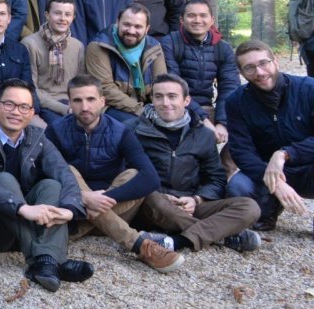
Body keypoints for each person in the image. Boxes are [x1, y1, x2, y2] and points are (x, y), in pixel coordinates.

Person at [0, 79, 93, 293]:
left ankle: (46, 262)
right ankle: (49, 259)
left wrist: (70, 209)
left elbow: (63, 173)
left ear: (31, 113)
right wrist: (23, 208)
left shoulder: (37, 138)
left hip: (26, 229)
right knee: (3, 179)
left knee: (51, 185)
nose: (16, 112)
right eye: (9, 105)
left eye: (24, 107)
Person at [45, 75, 182, 273]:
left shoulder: (121, 131)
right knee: (66, 169)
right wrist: (84, 197)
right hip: (72, 202)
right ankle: (140, 245)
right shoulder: (56, 131)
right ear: (70, 103)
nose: (85, 107)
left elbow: (150, 178)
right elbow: (46, 171)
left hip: (105, 207)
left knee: (133, 174)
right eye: (77, 100)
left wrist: (102, 199)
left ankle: (79, 227)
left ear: (102, 101)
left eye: (91, 99)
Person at [136, 75, 262, 253]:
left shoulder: (202, 134)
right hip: (153, 203)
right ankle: (222, 235)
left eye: (172, 96)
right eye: (158, 96)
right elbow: (127, 173)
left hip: (190, 203)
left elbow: (216, 179)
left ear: (186, 100)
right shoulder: (135, 130)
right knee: (155, 200)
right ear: (152, 99)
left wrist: (196, 199)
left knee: (249, 207)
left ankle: (178, 240)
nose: (165, 102)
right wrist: (161, 195)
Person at [224, 40, 314, 232]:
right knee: (238, 187)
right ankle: (268, 209)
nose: (260, 72)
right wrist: (276, 181)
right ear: (241, 73)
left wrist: (284, 154)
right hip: (266, 172)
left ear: (276, 62)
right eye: (250, 68)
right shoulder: (235, 102)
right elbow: (242, 151)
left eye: (264, 63)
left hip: (308, 167)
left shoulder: (309, 89)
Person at [159, 0, 238, 138]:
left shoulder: (222, 48)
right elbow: (175, 87)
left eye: (203, 15)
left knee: (242, 132)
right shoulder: (169, 43)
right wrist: (203, 119)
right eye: (191, 15)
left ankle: (226, 160)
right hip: (177, 106)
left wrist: (222, 123)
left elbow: (230, 86)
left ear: (212, 20)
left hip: (209, 108)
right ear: (182, 20)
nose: (197, 20)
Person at [85, 4, 168, 126]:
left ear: (147, 29)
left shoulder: (154, 47)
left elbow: (161, 84)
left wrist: (159, 109)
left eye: (138, 26)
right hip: (109, 106)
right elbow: (105, 89)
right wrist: (141, 110)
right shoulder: (98, 46)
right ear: (118, 22)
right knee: (138, 125)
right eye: (127, 24)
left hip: (146, 106)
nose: (131, 31)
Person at [22, 0, 86, 122]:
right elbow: (31, 88)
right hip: (45, 104)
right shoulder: (30, 44)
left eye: (67, 15)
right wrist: (63, 108)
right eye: (57, 13)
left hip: (72, 102)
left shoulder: (78, 46)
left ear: (73, 17)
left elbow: (81, 84)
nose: (62, 18)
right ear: (47, 15)